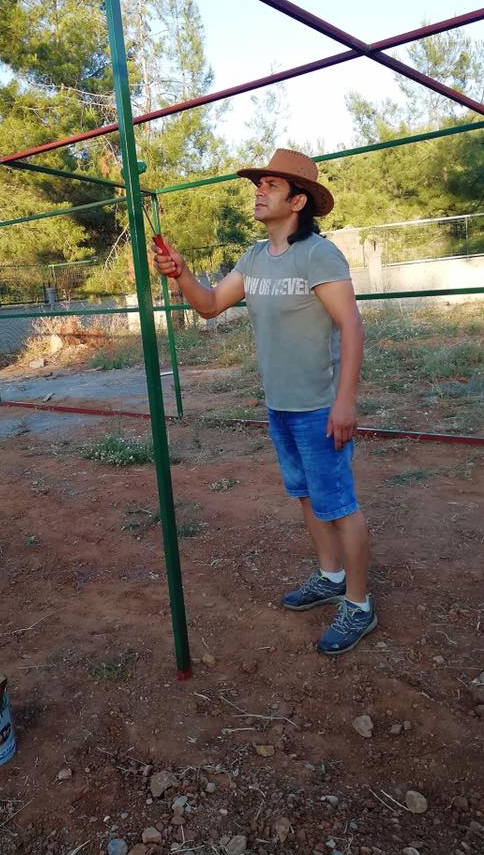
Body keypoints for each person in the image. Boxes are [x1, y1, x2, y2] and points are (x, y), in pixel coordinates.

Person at [153, 148, 377, 655]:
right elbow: (209, 306)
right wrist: (181, 273)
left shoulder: (319, 255)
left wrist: (345, 402)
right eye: (260, 184)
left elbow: (352, 327)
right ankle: (330, 576)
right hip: (280, 406)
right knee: (306, 496)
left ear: (298, 201)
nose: (259, 191)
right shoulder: (254, 258)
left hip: (321, 406)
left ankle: (359, 606)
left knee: (340, 505)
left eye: (271, 186)